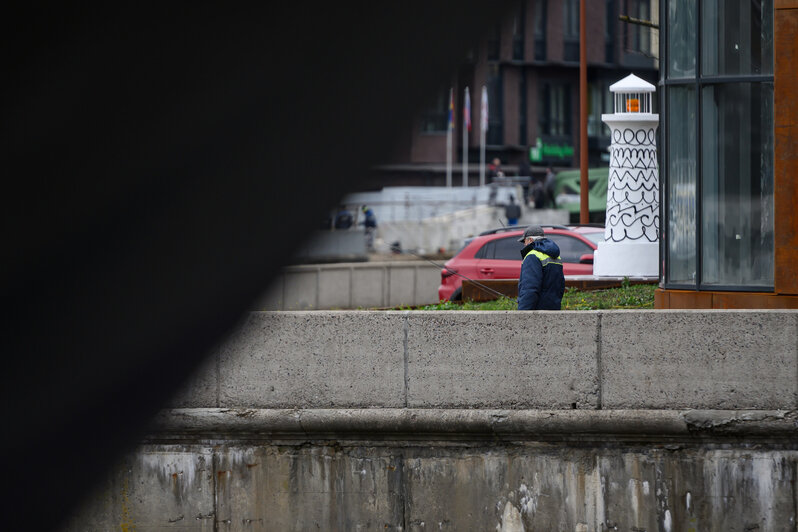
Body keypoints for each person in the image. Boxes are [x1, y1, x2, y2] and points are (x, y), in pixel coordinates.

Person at [516, 225, 565, 310]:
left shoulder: (532, 256)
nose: (524, 244)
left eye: (525, 241)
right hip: (554, 308)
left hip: (537, 311)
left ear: (530, 240)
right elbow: (560, 285)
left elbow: (530, 288)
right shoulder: (555, 255)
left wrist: (522, 313)